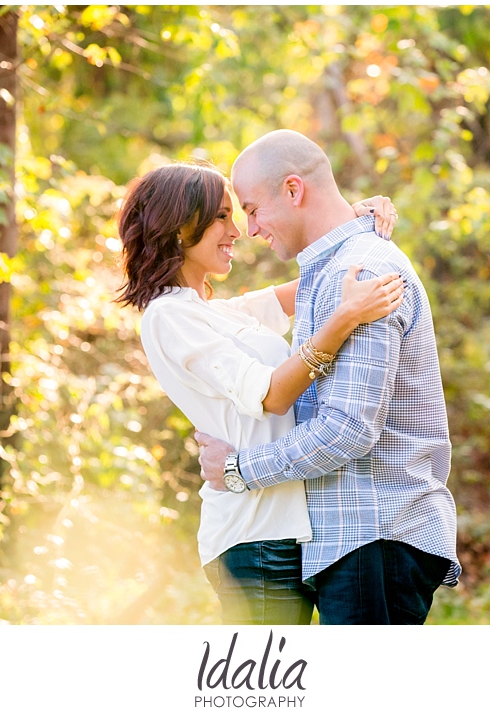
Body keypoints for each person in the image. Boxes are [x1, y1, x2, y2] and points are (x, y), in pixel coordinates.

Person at [116, 161, 403, 624]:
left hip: (285, 525)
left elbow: (320, 280)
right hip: (253, 535)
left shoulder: (218, 312)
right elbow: (271, 394)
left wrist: (353, 222)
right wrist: (344, 320)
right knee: (263, 690)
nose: (238, 231)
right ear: (178, 228)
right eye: (222, 218)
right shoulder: (168, 317)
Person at [196, 130, 461, 625]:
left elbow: (348, 429)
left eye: (252, 209)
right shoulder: (333, 270)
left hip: (375, 531)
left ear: (294, 190)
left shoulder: (361, 273)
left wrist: (239, 470)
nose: (250, 228)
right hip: (356, 537)